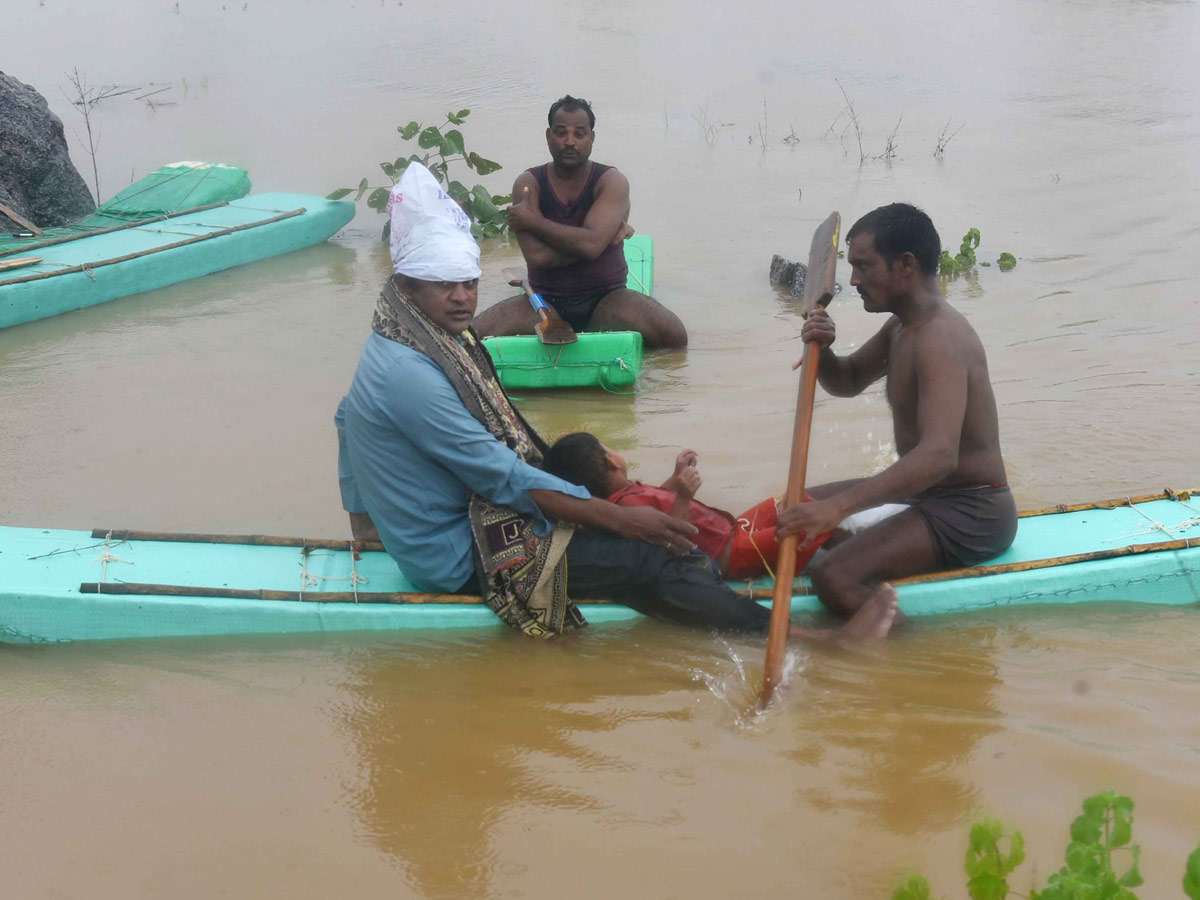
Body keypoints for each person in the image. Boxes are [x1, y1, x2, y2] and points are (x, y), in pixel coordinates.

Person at [336, 161, 895, 640]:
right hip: (457, 556)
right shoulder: (409, 372)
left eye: (468, 281)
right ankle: (810, 641)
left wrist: (372, 534)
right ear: (407, 284)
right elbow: (500, 474)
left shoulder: (396, 335)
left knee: (618, 506)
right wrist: (621, 524)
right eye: (444, 285)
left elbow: (345, 420)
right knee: (653, 561)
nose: (462, 298)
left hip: (450, 526)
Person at [775, 203, 1017, 618]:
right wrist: (825, 351)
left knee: (833, 576)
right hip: (925, 495)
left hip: (971, 512)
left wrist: (838, 508)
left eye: (864, 266)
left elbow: (939, 455)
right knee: (791, 508)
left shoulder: (940, 337)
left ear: (906, 264)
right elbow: (848, 380)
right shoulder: (902, 326)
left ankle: (899, 657)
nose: (853, 281)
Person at [472, 95, 688, 349]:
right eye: (561, 133)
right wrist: (601, 239)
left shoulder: (611, 181)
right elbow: (539, 257)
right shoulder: (529, 184)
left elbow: (591, 246)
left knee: (675, 336)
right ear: (548, 136)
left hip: (607, 298)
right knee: (470, 337)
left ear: (592, 138)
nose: (570, 142)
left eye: (580, 134)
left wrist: (534, 221)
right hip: (543, 301)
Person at [543, 432, 832, 580]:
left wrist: (674, 477)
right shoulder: (627, 510)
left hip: (734, 531)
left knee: (792, 500)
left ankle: (833, 540)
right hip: (734, 554)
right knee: (812, 520)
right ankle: (845, 547)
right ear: (610, 461)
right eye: (608, 448)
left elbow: (660, 499)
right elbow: (676, 545)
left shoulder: (625, 499)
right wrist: (683, 495)